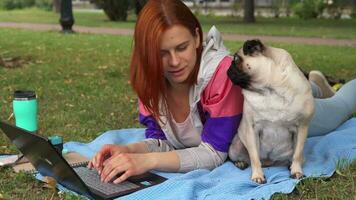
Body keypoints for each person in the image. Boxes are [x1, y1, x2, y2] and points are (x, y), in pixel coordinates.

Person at [88, 0, 356, 184]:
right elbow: (160, 139)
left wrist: (146, 162)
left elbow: (214, 153)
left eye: (181, 47)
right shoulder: (151, 81)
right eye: (161, 54)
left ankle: (312, 87)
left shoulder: (219, 74)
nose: (174, 62)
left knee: (342, 106)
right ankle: (313, 83)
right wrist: (128, 149)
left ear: (196, 37)